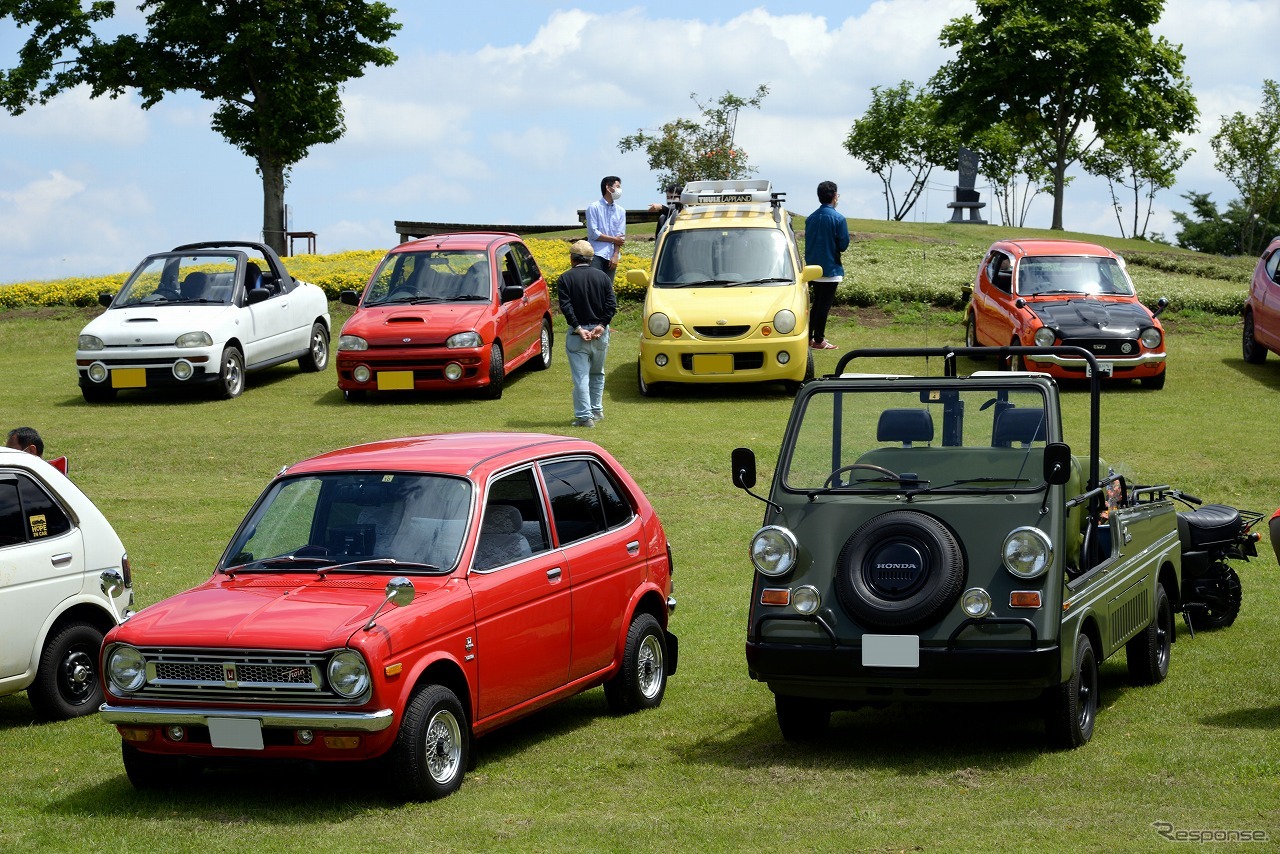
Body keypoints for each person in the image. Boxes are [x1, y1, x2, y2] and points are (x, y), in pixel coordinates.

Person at [558, 240, 616, 427]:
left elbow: (566, 307)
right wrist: (602, 325)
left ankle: (585, 416)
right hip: (600, 333)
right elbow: (611, 305)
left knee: (581, 376)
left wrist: (578, 328)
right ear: (591, 259)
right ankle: (597, 410)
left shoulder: (565, 278)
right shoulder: (603, 277)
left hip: (578, 334)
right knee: (597, 374)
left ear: (572, 259)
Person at [804, 180, 850, 350]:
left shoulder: (811, 218)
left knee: (816, 305)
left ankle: (809, 337)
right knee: (823, 306)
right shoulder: (838, 218)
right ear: (835, 196)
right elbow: (843, 245)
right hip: (831, 268)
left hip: (813, 268)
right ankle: (818, 340)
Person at [586, 175, 626, 283]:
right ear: (608, 188)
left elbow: (620, 237)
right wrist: (614, 239)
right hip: (596, 254)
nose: (619, 190)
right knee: (594, 286)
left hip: (612, 256)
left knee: (608, 288)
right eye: (617, 186)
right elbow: (594, 233)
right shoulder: (593, 207)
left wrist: (616, 255)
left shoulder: (621, 211)